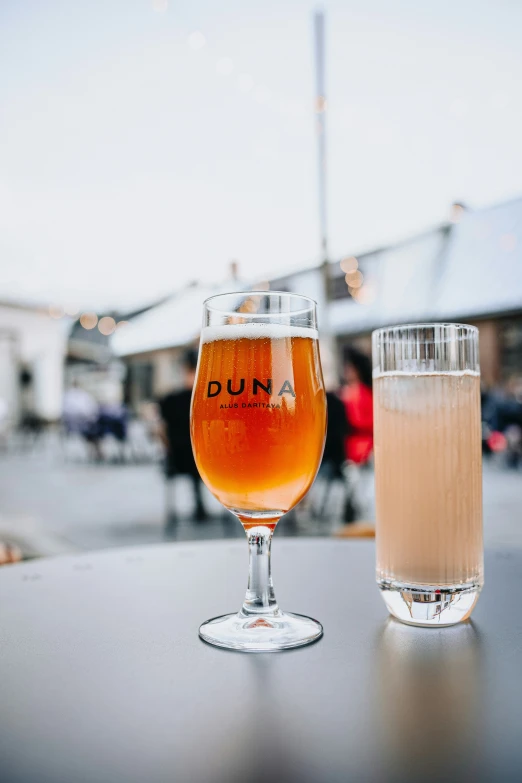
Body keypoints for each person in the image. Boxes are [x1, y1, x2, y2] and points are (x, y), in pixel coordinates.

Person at [159, 349, 207, 524]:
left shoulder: (170, 399)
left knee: (190, 454)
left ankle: (199, 504)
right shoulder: (209, 397)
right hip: (208, 459)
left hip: (177, 460)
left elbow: (161, 430)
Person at [340, 347, 374, 522]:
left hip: (359, 451)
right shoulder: (361, 392)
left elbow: (361, 421)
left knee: (360, 497)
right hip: (360, 450)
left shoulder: (355, 393)